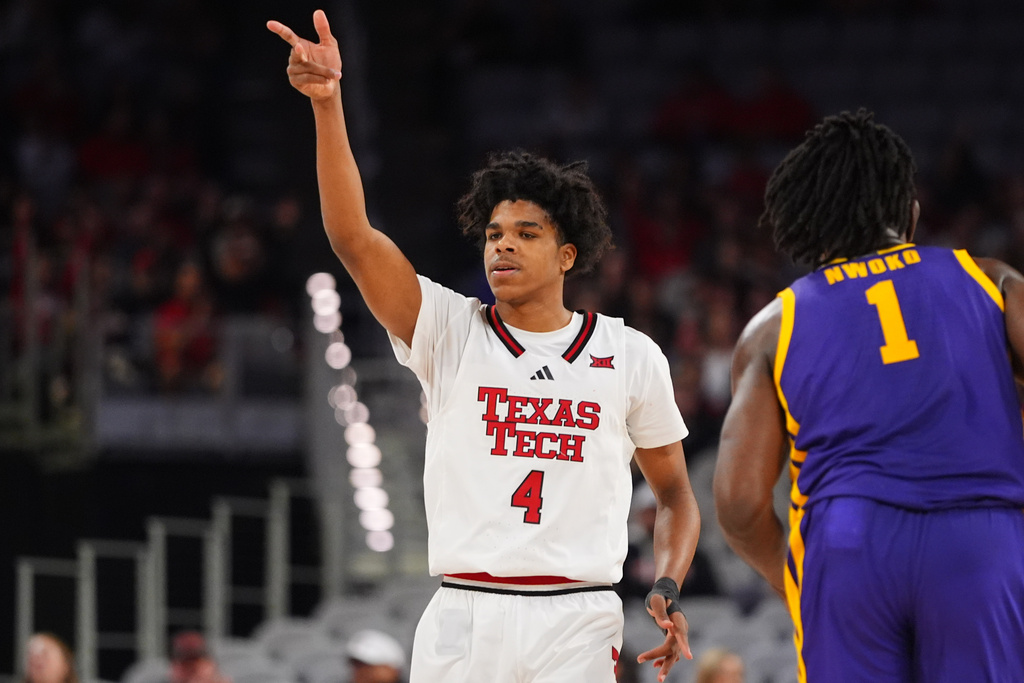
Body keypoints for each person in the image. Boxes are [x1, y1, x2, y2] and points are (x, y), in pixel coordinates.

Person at [267, 11, 701, 683]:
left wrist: (669, 586)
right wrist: (328, 106)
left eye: (525, 233)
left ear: (567, 253)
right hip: (465, 609)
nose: (502, 243)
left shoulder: (630, 353)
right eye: (495, 232)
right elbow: (354, 238)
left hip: (577, 611)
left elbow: (675, 493)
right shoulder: (447, 327)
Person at [714, 109, 1024, 682]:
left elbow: (736, 504)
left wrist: (795, 581)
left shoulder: (771, 327)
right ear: (909, 211)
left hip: (848, 542)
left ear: (809, 221)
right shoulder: (991, 281)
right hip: (978, 539)